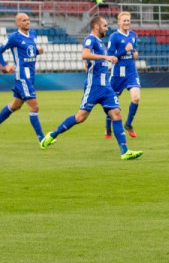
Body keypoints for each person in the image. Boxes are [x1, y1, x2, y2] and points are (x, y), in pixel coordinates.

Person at [41, 16, 142, 160]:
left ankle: (125, 151)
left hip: (105, 86)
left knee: (116, 114)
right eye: (105, 26)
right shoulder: (91, 39)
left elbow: (89, 60)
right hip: (93, 86)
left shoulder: (100, 43)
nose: (107, 28)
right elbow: (84, 54)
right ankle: (52, 135)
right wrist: (104, 58)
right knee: (80, 117)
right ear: (97, 27)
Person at [0, 12, 45, 144]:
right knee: (34, 107)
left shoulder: (33, 34)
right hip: (22, 76)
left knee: (15, 105)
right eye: (24, 20)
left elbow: (29, 51)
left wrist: (37, 52)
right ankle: (42, 139)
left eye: (28, 20)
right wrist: (5, 65)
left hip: (31, 75)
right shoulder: (13, 37)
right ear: (18, 23)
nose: (27, 22)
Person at [104, 11, 141, 139]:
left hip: (131, 71)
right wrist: (123, 50)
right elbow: (110, 56)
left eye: (128, 20)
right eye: (124, 20)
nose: (126, 22)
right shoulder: (114, 37)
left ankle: (128, 124)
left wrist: (135, 54)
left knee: (136, 98)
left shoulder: (133, 35)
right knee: (113, 102)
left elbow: (134, 49)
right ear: (119, 22)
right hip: (118, 74)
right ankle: (108, 126)